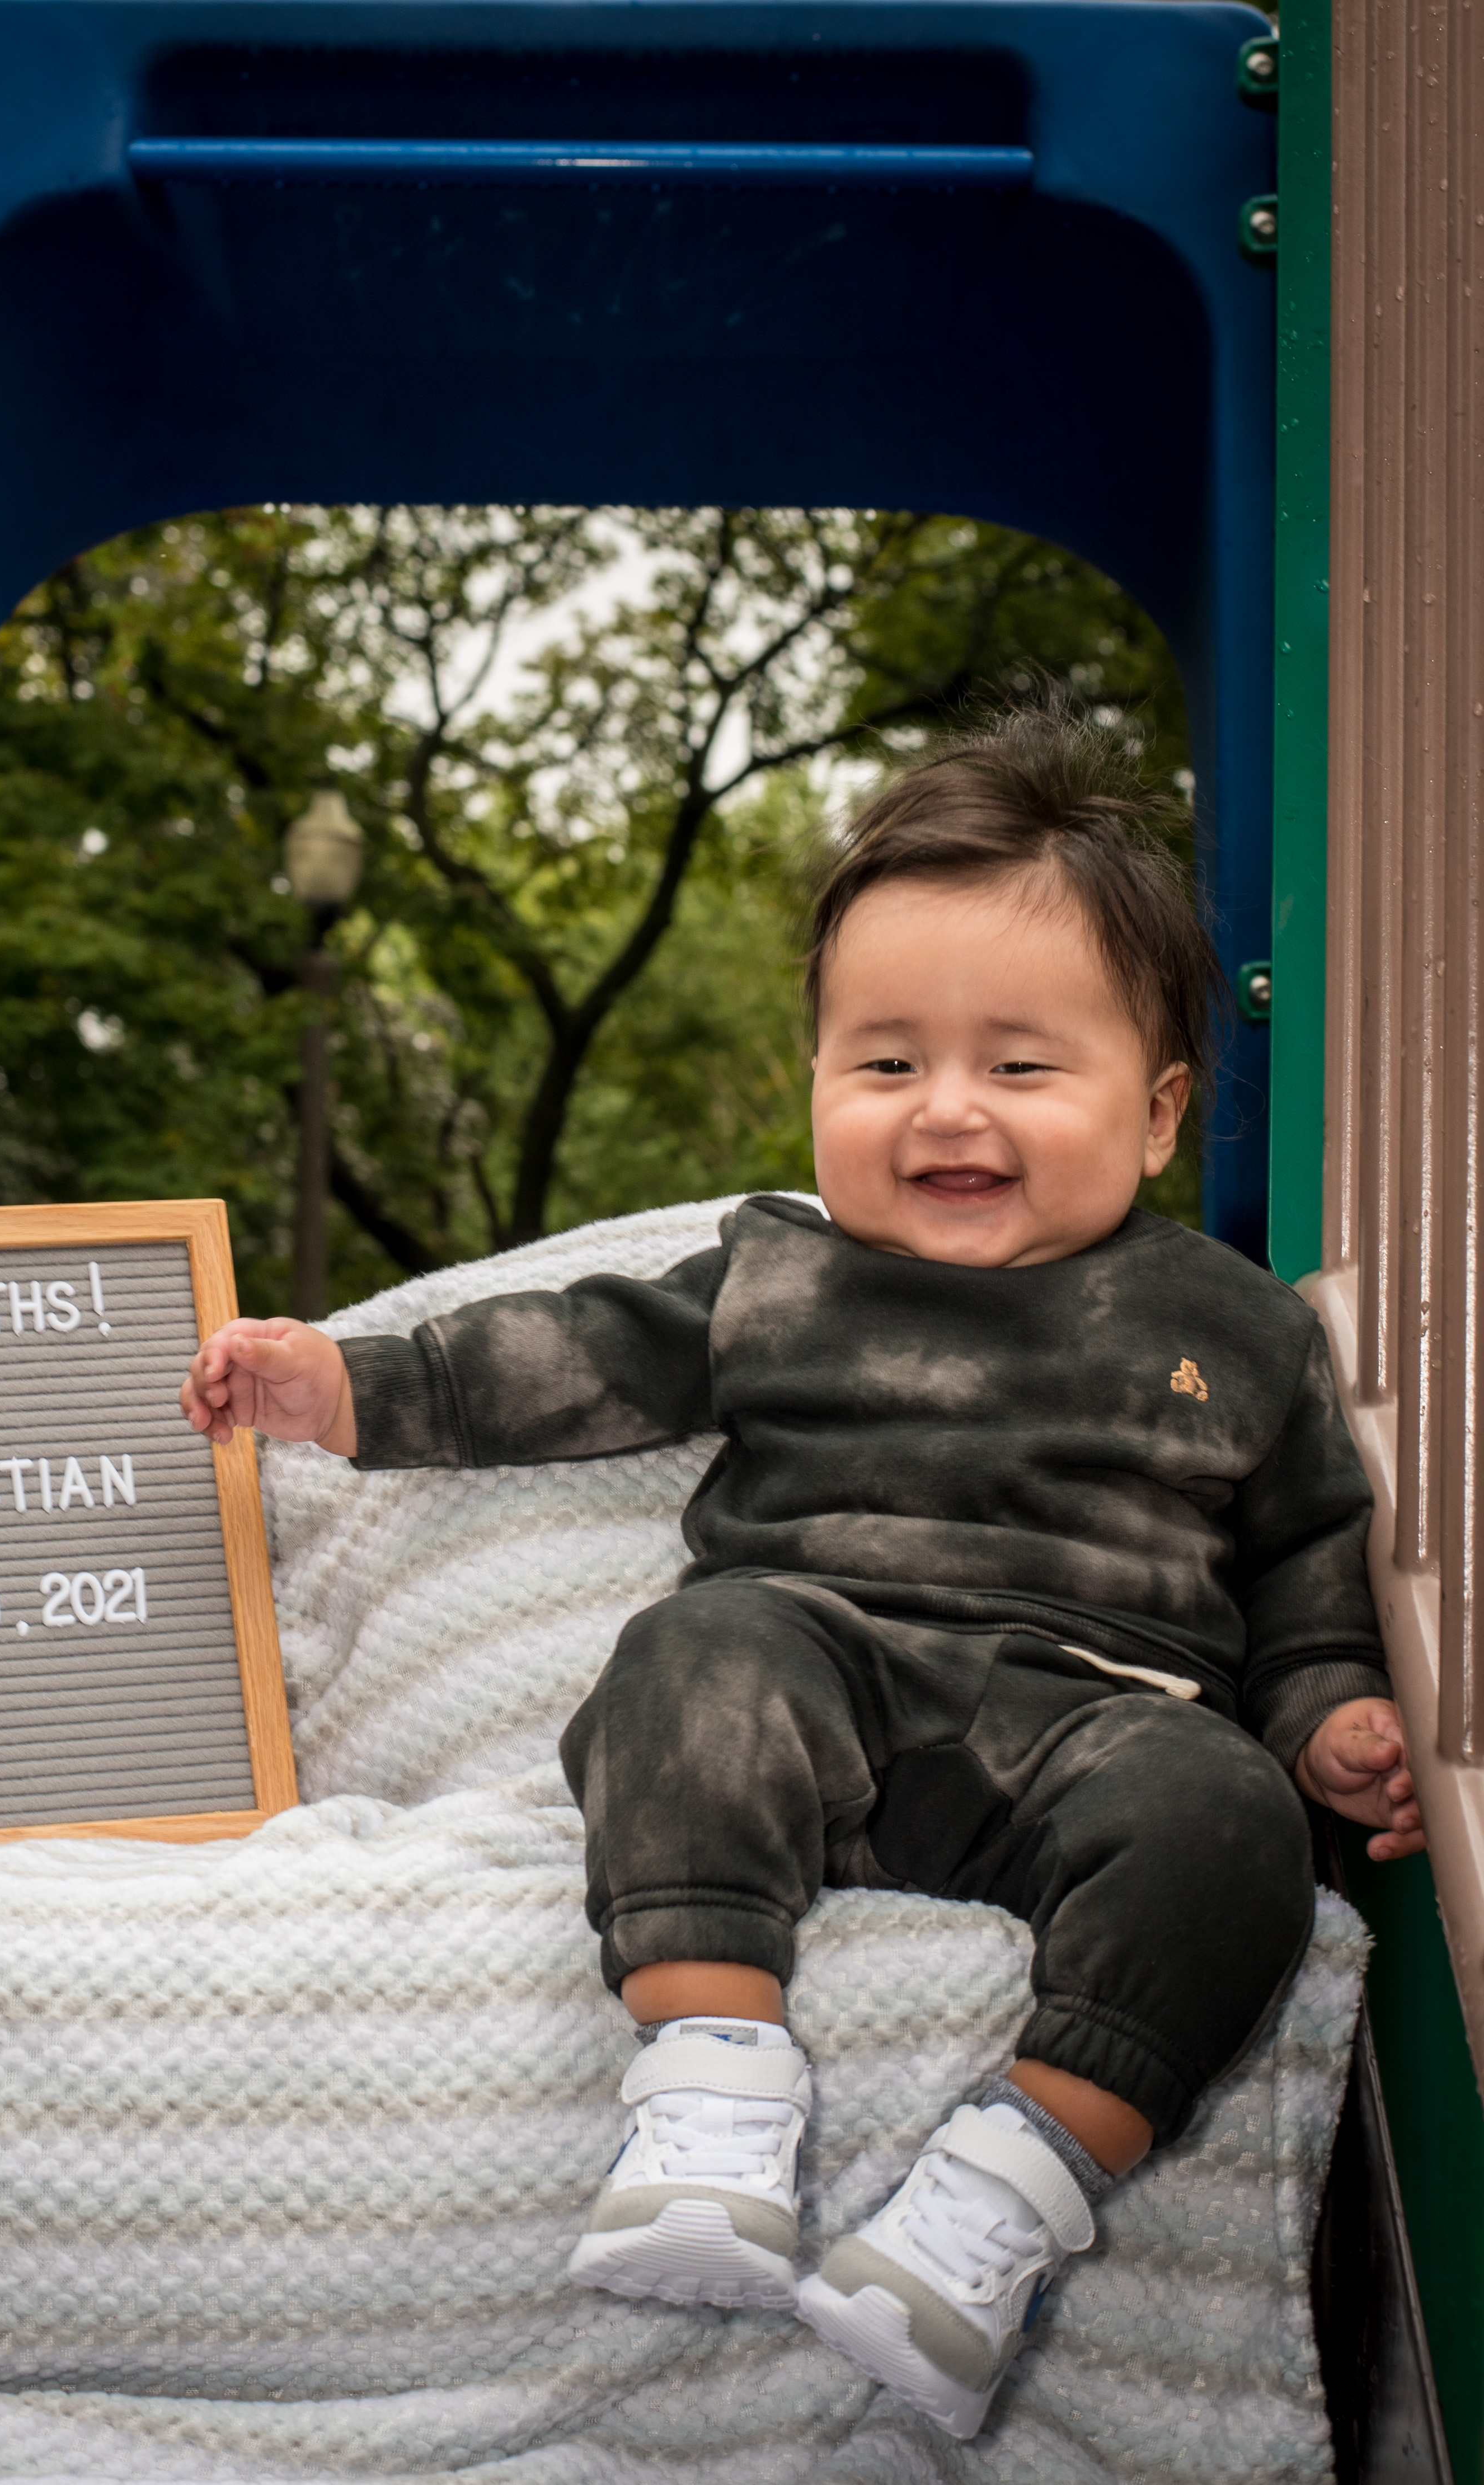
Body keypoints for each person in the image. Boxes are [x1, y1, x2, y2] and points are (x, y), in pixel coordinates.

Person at [180, 704, 1420, 2441]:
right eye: (888, 1062)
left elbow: (1302, 1574)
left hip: (1099, 1719)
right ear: (821, 1083)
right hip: (813, 1662)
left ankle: (1003, 2195)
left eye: (1020, 1064)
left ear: (1156, 1115)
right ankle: (709, 2088)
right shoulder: (781, 1274)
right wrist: (352, 1386)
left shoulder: (1239, 1325)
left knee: (1232, 1837)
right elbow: (574, 1353)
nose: (948, 1111)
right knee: (684, 1663)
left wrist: (1331, 1714)